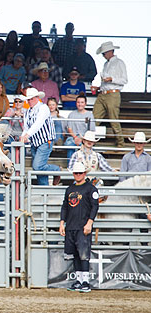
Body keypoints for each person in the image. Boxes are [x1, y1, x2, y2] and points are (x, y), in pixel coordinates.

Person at [59, 161, 99, 293]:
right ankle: (79, 280)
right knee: (75, 254)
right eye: (76, 173)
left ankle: (86, 281)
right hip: (71, 226)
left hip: (83, 226)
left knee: (83, 254)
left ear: (85, 173)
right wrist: (62, 223)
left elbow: (95, 206)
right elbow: (65, 206)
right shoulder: (69, 189)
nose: (77, 175)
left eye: (80, 173)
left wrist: (90, 223)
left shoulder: (90, 189)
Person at [19, 88, 61, 186]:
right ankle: (44, 189)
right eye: (28, 99)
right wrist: (22, 137)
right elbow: (26, 127)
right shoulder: (27, 111)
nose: (29, 101)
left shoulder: (43, 108)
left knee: (37, 166)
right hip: (35, 142)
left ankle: (56, 170)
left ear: (37, 98)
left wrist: (27, 136)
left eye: (31, 99)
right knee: (39, 168)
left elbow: (38, 123)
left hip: (46, 141)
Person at [91, 41, 128, 148]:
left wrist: (111, 79)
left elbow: (124, 80)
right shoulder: (106, 64)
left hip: (112, 94)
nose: (103, 55)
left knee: (113, 119)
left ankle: (120, 142)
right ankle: (90, 139)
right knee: (94, 118)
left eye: (104, 53)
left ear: (110, 51)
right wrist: (99, 87)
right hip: (103, 93)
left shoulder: (119, 63)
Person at [64, 95, 95, 159]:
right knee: (70, 145)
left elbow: (91, 130)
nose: (80, 104)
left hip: (85, 139)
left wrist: (82, 139)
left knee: (84, 147)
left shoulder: (90, 115)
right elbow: (69, 128)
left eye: (82, 102)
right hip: (73, 138)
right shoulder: (71, 114)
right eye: (78, 102)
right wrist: (75, 138)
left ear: (85, 104)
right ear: (76, 103)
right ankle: (71, 167)